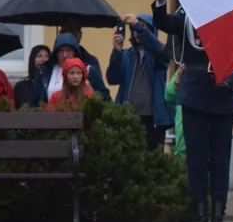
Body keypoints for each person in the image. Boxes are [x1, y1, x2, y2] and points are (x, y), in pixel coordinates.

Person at [153, 0, 233, 222]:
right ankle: (199, 219)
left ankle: (217, 219)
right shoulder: (186, 16)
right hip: (193, 93)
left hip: (221, 92)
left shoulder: (231, 17)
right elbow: (163, 23)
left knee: (219, 161)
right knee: (195, 161)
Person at [107, 13, 172, 152]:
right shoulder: (125, 54)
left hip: (153, 120)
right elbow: (113, 79)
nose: (137, 31)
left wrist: (137, 25)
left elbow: (159, 51)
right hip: (128, 118)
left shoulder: (160, 52)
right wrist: (116, 52)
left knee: (153, 164)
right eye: (135, 28)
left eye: (143, 27)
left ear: (152, 31)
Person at [32, 33, 109, 107]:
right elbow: (35, 101)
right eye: (61, 51)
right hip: (50, 117)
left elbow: (105, 97)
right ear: (56, 53)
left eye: (68, 50)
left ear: (75, 52)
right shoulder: (44, 71)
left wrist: (91, 92)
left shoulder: (88, 70)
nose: (64, 55)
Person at [58, 18, 107, 97]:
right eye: (68, 30)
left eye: (76, 31)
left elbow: (103, 96)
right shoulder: (49, 67)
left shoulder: (90, 63)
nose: (72, 35)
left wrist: (91, 91)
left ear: (80, 35)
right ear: (61, 33)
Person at [14, 44, 50, 109]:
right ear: (32, 59)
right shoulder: (21, 86)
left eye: (47, 56)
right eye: (39, 56)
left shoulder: (53, 84)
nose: (43, 59)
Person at [163, 64, 186, 157]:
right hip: (181, 145)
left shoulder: (212, 70)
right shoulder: (185, 67)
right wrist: (177, 81)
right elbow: (168, 96)